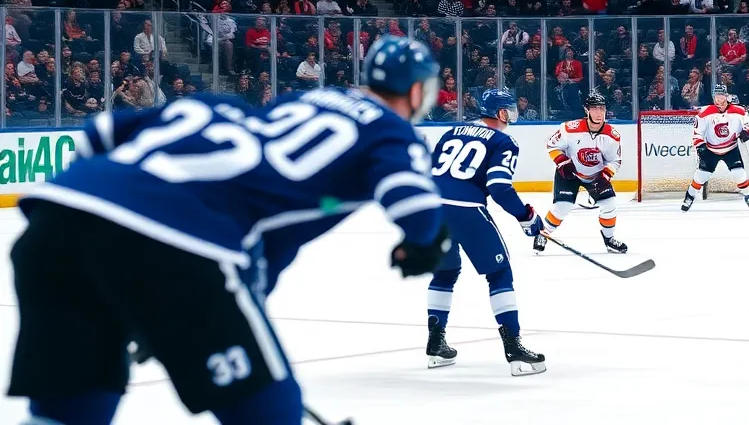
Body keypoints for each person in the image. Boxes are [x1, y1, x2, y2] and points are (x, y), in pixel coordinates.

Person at [6, 36, 449, 425]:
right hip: (178, 245)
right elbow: (415, 204)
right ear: (416, 90)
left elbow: (99, 132)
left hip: (58, 222)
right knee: (272, 411)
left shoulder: (268, 108)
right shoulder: (390, 130)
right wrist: (423, 245)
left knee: (68, 410)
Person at [426, 89, 546, 376]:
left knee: (445, 272)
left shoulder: (452, 131)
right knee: (499, 273)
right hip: (466, 211)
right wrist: (526, 216)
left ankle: (436, 343)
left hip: (431, 208)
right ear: (501, 113)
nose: (512, 115)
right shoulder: (503, 141)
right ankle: (514, 348)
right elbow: (499, 187)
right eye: (509, 110)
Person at [534, 91, 626, 255]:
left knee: (609, 205)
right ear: (586, 110)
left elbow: (615, 160)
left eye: (602, 108)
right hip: (570, 174)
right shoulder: (569, 129)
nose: (599, 113)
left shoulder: (612, 135)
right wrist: (563, 162)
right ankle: (543, 233)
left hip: (596, 176)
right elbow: (552, 146)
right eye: (594, 109)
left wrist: (605, 176)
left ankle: (609, 239)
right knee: (562, 207)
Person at [681, 84, 749, 213]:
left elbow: (748, 124)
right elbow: (697, 133)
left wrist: (746, 132)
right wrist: (701, 146)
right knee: (700, 177)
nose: (718, 100)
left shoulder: (739, 111)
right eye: (716, 97)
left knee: (739, 174)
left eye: (721, 97)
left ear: (726, 97)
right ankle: (689, 198)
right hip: (711, 150)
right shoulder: (705, 112)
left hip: (731, 149)